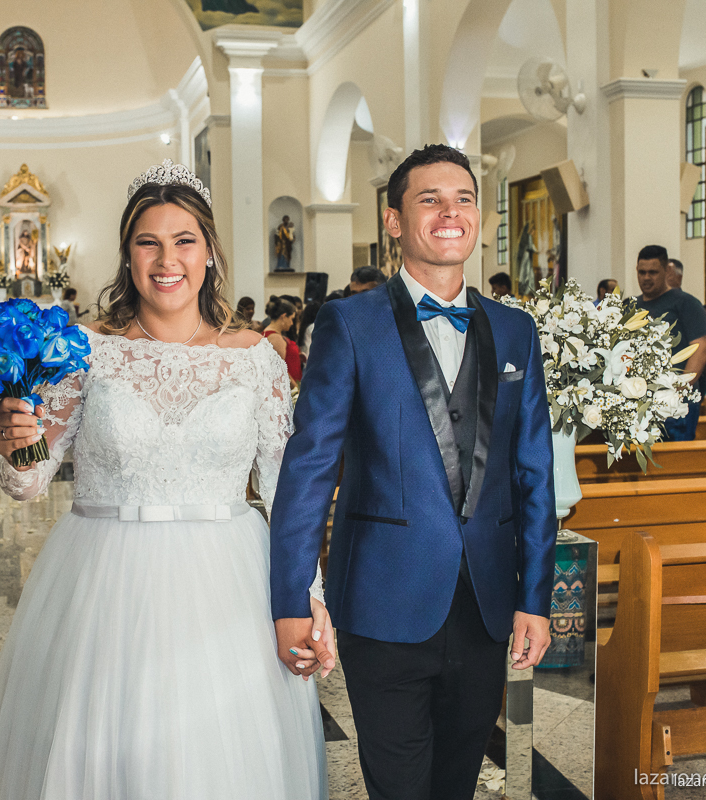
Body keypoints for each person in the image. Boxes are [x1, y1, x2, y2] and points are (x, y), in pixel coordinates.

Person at [0, 162, 327, 799]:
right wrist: (12, 443)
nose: (167, 259)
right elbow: (29, 483)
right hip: (104, 580)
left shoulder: (256, 358)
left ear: (209, 252)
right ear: (127, 256)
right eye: (147, 242)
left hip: (227, 583)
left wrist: (309, 597)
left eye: (184, 240)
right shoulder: (82, 350)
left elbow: (285, 489)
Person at [271, 144, 555, 800]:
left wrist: (532, 598)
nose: (450, 212)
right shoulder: (350, 323)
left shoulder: (516, 331)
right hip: (383, 600)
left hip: (486, 604)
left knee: (455, 782)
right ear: (395, 221)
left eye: (463, 199)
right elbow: (309, 467)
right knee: (400, 786)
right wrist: (291, 598)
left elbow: (532, 472)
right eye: (430, 199)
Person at [635, 245, 706, 441]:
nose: (646, 277)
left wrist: (678, 390)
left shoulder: (685, 303)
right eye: (642, 272)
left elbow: (702, 347)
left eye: (653, 272)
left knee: (675, 461)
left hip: (675, 403)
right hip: (639, 400)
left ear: (666, 271)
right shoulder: (631, 306)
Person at [264, 295, 302, 384]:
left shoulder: (272, 334)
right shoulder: (275, 338)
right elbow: (280, 370)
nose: (292, 323)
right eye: (291, 318)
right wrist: (296, 389)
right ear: (284, 316)